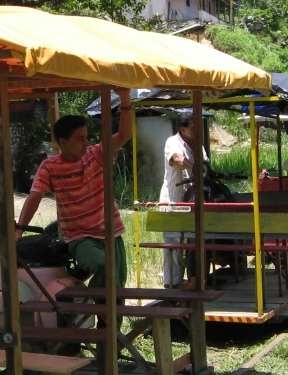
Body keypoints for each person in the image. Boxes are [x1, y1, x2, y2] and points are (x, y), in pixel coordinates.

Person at [16, 89, 133, 320]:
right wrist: (20, 228)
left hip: (112, 232)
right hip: (80, 236)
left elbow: (124, 135)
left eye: (87, 137)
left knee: (118, 286)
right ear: (63, 142)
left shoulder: (96, 154)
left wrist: (126, 99)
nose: (86, 143)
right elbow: (35, 197)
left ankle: (109, 336)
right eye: (80, 139)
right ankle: (89, 308)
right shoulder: (50, 167)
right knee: (103, 266)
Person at [159, 110, 207, 288]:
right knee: (173, 245)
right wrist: (194, 167)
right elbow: (177, 159)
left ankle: (195, 280)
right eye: (194, 128)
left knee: (194, 242)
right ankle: (172, 285)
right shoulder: (172, 142)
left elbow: (206, 163)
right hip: (173, 200)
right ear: (183, 129)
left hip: (192, 201)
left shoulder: (197, 143)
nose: (197, 131)